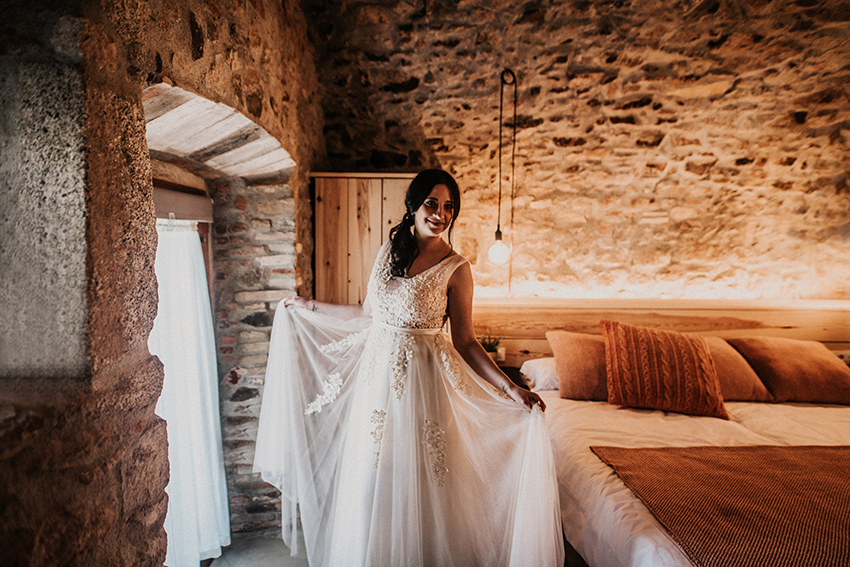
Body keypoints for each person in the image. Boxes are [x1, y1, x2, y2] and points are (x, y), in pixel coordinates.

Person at [254, 169, 564, 567]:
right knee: (371, 485)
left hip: (425, 389)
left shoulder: (457, 269)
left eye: (449, 206)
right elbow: (368, 314)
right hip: (377, 388)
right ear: (414, 205)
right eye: (432, 203)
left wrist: (511, 389)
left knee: (426, 487)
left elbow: (466, 342)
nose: (441, 213)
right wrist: (308, 305)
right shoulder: (390, 250)